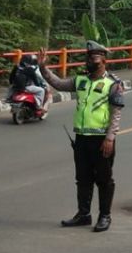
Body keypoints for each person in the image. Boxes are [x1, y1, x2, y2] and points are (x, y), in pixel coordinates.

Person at [38, 41, 124, 233]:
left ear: (104, 59)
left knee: (104, 179)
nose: (90, 61)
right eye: (88, 57)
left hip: (102, 140)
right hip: (82, 139)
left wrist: (110, 138)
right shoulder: (80, 81)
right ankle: (83, 214)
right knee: (82, 179)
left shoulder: (113, 84)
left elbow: (116, 113)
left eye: (94, 57)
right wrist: (43, 67)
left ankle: (104, 216)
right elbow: (58, 83)